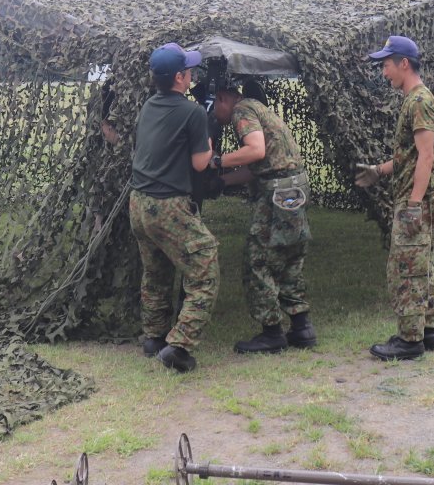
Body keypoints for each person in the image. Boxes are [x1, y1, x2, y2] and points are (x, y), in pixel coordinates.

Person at [119, 43, 218, 373]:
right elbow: (201, 163)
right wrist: (210, 142)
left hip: (139, 203)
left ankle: (153, 337)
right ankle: (180, 346)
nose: (191, 74)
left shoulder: (149, 105)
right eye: (188, 70)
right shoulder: (193, 113)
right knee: (205, 267)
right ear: (180, 77)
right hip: (168, 205)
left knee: (156, 270)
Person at [354, 35, 434, 361]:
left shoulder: (419, 102)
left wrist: (413, 205)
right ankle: (428, 331)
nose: (383, 73)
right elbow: (410, 156)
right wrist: (379, 170)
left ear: (403, 63)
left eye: (386, 65)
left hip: (415, 200)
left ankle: (409, 341)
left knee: (404, 270)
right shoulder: (414, 100)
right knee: (423, 267)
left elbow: (426, 156)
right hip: (415, 196)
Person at [211, 80, 315, 354]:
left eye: (214, 109)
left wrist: (217, 161)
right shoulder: (257, 107)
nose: (214, 117)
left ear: (223, 98)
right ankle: (301, 326)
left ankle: (271, 332)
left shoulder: (241, 111)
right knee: (290, 255)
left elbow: (255, 150)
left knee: (257, 261)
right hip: (294, 187)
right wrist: (223, 182)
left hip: (276, 193)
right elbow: (260, 165)